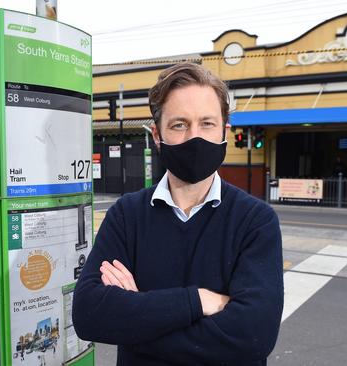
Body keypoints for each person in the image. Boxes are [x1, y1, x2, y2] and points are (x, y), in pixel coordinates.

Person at [72, 62, 283, 365]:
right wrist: (198, 301)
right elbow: (90, 315)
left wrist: (138, 316)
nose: (194, 137)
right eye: (179, 125)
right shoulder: (126, 216)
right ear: (157, 135)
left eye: (207, 124)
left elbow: (254, 336)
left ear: (225, 132)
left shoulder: (255, 220)